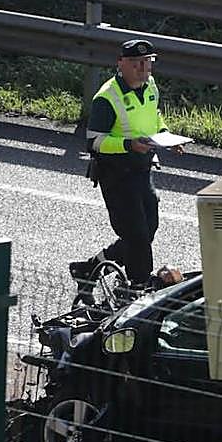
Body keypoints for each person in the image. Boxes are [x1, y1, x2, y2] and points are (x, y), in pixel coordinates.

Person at [71, 39, 183, 291]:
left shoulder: (150, 86)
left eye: (147, 62)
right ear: (121, 64)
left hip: (142, 170)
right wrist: (128, 145)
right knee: (137, 236)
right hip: (116, 175)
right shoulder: (107, 97)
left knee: (147, 230)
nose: (142, 68)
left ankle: (88, 269)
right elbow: (94, 142)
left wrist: (166, 136)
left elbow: (153, 117)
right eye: (135, 63)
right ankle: (138, 287)